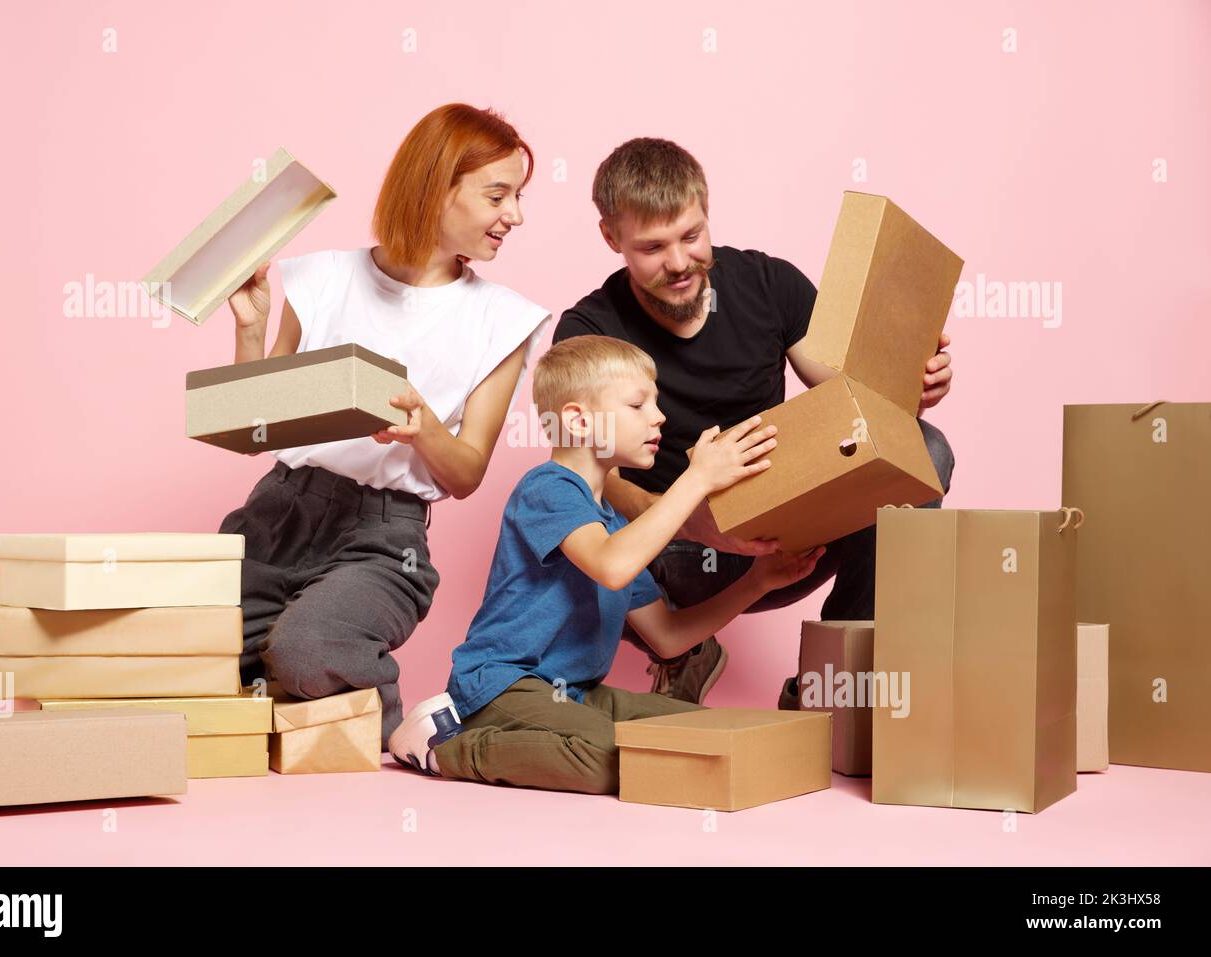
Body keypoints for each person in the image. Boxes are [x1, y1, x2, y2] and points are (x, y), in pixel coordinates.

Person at [553, 137, 957, 703]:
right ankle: (684, 649)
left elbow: (858, 403)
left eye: (691, 237)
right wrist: (691, 520)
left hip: (788, 530)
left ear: (707, 214)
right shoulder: (587, 334)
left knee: (923, 449)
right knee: (577, 533)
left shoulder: (769, 285)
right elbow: (590, 481)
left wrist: (910, 388)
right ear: (611, 238)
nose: (677, 263)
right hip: (675, 552)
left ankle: (828, 688)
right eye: (652, 246)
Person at [217, 104, 551, 748]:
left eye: (518, 196)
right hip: (277, 513)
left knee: (308, 650)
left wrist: (423, 425)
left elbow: (466, 475)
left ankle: (397, 726)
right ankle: (294, 711)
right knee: (189, 658)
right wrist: (251, 326)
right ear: (435, 186)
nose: (516, 215)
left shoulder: (500, 321)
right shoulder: (323, 278)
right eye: (498, 195)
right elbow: (252, 425)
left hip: (381, 539)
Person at [388, 336, 822, 793]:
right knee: (613, 761)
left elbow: (669, 639)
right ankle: (443, 747)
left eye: (655, 403)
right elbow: (610, 567)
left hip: (579, 692)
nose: (659, 416)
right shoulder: (547, 489)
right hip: (502, 687)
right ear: (577, 421)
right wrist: (697, 479)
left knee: (709, 735)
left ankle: (553, 735)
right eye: (638, 404)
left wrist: (758, 581)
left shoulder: (615, 527)